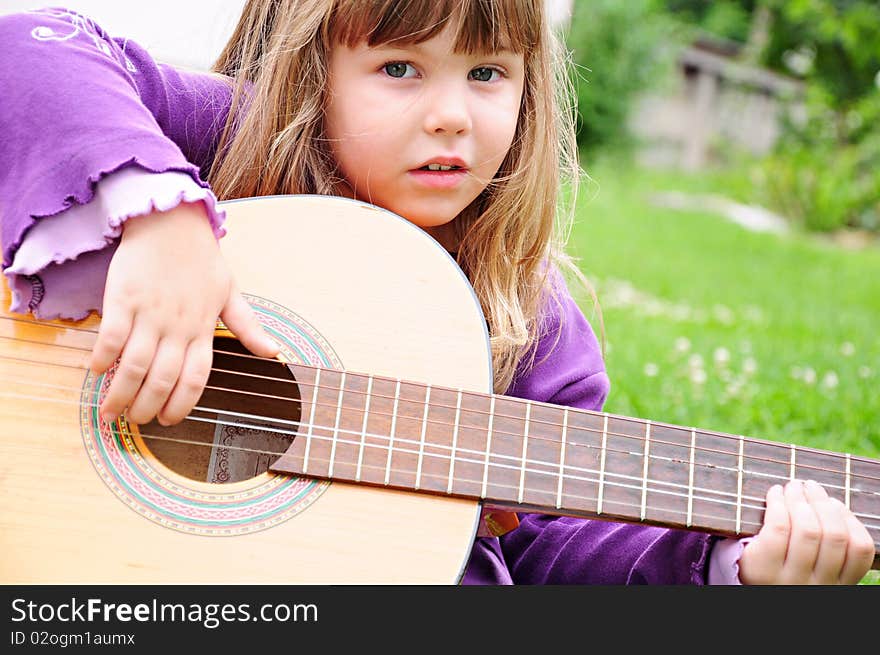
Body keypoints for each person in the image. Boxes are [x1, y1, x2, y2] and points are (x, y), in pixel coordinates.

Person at [0, 1, 873, 585]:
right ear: (313, 72)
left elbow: (557, 542)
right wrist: (166, 225)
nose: (452, 114)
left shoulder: (531, 324)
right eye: (400, 68)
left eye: (487, 73)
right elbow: (30, 48)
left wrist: (733, 564)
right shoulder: (229, 144)